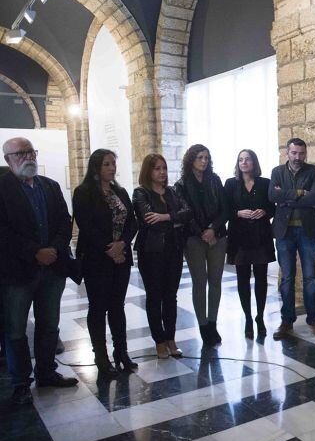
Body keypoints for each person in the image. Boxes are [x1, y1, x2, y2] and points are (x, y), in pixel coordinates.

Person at [0, 138, 78, 404]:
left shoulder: (51, 186)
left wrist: (54, 249)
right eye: (21, 153)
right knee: (15, 330)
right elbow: (3, 233)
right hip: (17, 272)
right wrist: (35, 252)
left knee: (49, 325)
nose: (28, 157)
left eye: (31, 151)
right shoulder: (2, 188)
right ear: (8, 159)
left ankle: (46, 372)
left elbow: (65, 223)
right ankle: (21, 381)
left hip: (52, 269)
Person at [73, 149, 137, 375]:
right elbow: (87, 226)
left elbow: (132, 222)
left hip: (121, 257)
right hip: (97, 258)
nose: (112, 168)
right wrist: (110, 248)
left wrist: (122, 244)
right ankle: (101, 356)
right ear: (96, 167)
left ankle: (122, 352)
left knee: (117, 307)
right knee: (98, 307)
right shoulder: (83, 192)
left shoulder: (119, 191)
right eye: (107, 164)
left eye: (113, 163)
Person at [133, 154, 191, 359]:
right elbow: (149, 220)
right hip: (151, 251)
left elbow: (187, 213)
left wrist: (166, 217)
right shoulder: (141, 193)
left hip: (173, 250)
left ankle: (171, 338)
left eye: (164, 168)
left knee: (170, 296)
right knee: (154, 295)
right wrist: (174, 221)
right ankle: (159, 340)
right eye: (157, 168)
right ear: (148, 171)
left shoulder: (173, 192)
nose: (162, 172)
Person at [269, 138, 315, 339]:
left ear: (305, 153)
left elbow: (314, 198)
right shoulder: (277, 172)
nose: (298, 157)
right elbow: (272, 197)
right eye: (294, 153)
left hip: (307, 232)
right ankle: (287, 321)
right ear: (287, 153)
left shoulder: (313, 172)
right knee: (287, 278)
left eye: (301, 153)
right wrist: (301, 193)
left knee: (310, 277)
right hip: (284, 233)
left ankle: (314, 320)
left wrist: (286, 198)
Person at [174, 144, 228, 346]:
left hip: (217, 236)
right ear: (191, 160)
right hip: (194, 238)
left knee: (216, 280)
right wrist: (202, 233)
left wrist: (213, 229)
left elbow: (226, 209)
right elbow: (186, 214)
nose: (204, 161)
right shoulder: (181, 185)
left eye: (206, 157)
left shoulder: (215, 180)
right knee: (200, 281)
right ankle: (203, 324)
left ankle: (213, 322)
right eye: (199, 157)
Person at [224, 149, 275, 339]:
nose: (244, 162)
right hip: (239, 238)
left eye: (247, 159)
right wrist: (238, 213)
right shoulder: (230, 184)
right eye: (241, 160)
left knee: (261, 279)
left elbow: (272, 207)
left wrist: (264, 211)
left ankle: (260, 317)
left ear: (254, 162)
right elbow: (225, 209)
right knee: (242, 279)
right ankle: (247, 317)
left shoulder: (265, 183)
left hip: (261, 236)